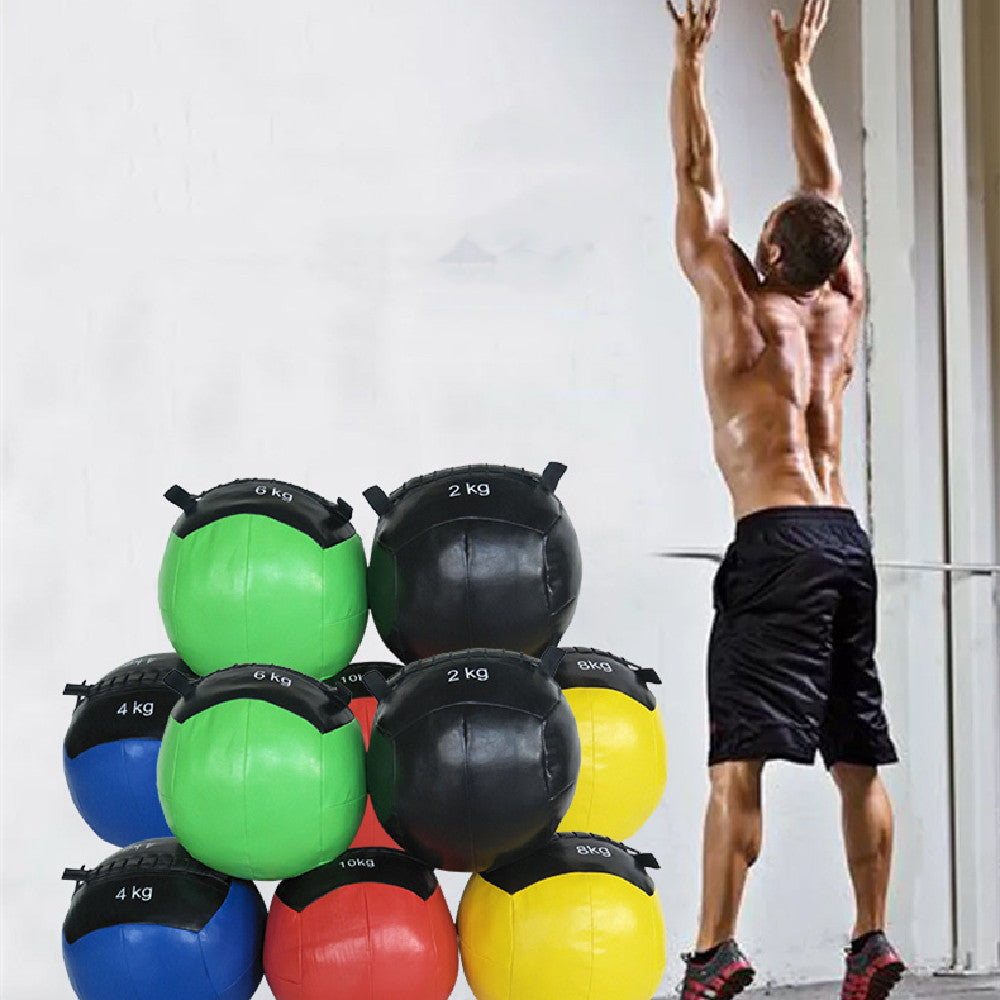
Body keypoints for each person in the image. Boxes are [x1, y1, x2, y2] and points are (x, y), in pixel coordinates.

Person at [665, 2, 906, 999]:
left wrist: (691, 62)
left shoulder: (735, 300)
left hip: (771, 541)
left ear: (769, 249)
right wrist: (798, 74)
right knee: (856, 755)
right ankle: (870, 938)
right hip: (846, 539)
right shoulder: (839, 304)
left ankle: (715, 947)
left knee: (739, 764)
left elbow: (695, 180)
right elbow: (827, 191)